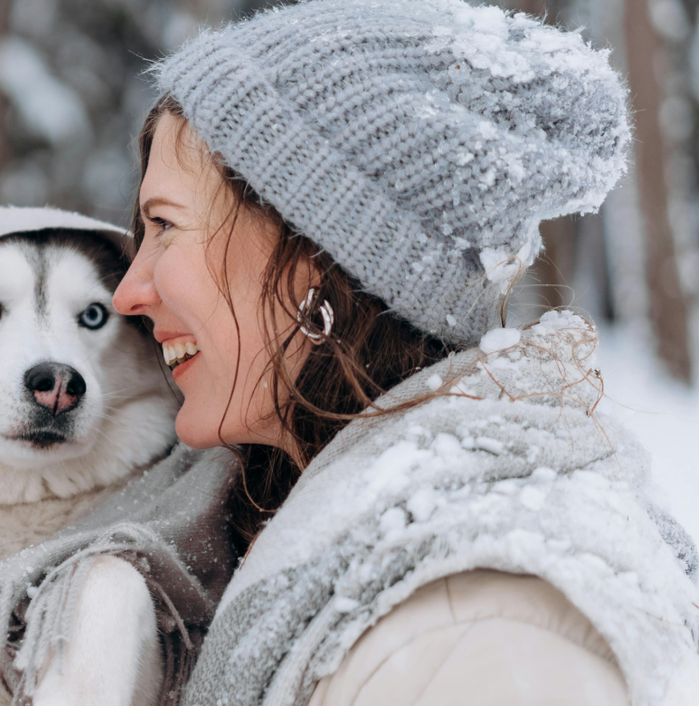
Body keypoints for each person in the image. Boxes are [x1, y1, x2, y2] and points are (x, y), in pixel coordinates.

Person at [110, 1, 699, 704]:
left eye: (165, 225)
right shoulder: (266, 534)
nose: (128, 292)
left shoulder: (472, 628)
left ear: (315, 254)